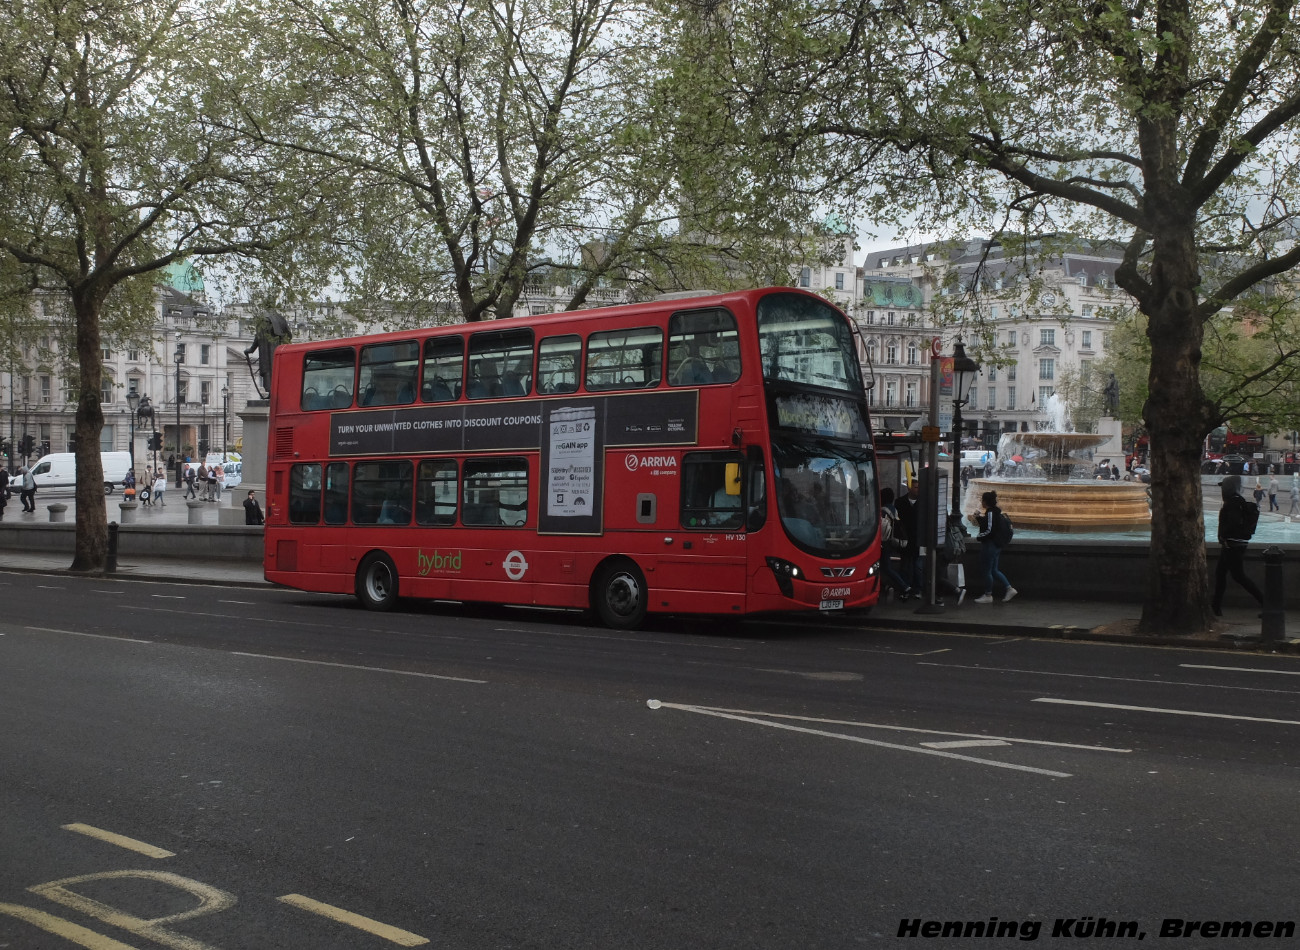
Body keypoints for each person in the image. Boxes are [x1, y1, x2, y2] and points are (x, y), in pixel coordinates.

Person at [1212, 475, 1263, 617]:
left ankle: (1266, 603)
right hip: (1234, 544)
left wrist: (1224, 536)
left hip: (1232, 545)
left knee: (1238, 576)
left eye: (1224, 487)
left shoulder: (1233, 503)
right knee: (1221, 574)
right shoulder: (1238, 501)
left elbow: (1232, 523)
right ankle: (1215, 607)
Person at [968, 489, 1017, 604]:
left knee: (987, 571)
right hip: (996, 545)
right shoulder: (995, 512)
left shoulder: (990, 513)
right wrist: (979, 518)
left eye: (982, 500)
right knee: (994, 570)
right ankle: (1009, 588)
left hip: (990, 545)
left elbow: (990, 529)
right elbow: (990, 524)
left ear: (985, 502)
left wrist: (979, 537)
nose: (981, 502)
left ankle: (988, 594)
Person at [878, 487, 914, 600]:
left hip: (884, 543)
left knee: (886, 568)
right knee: (884, 567)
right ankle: (887, 586)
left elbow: (882, 528)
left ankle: (904, 587)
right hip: (890, 542)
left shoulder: (883, 511)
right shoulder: (893, 509)